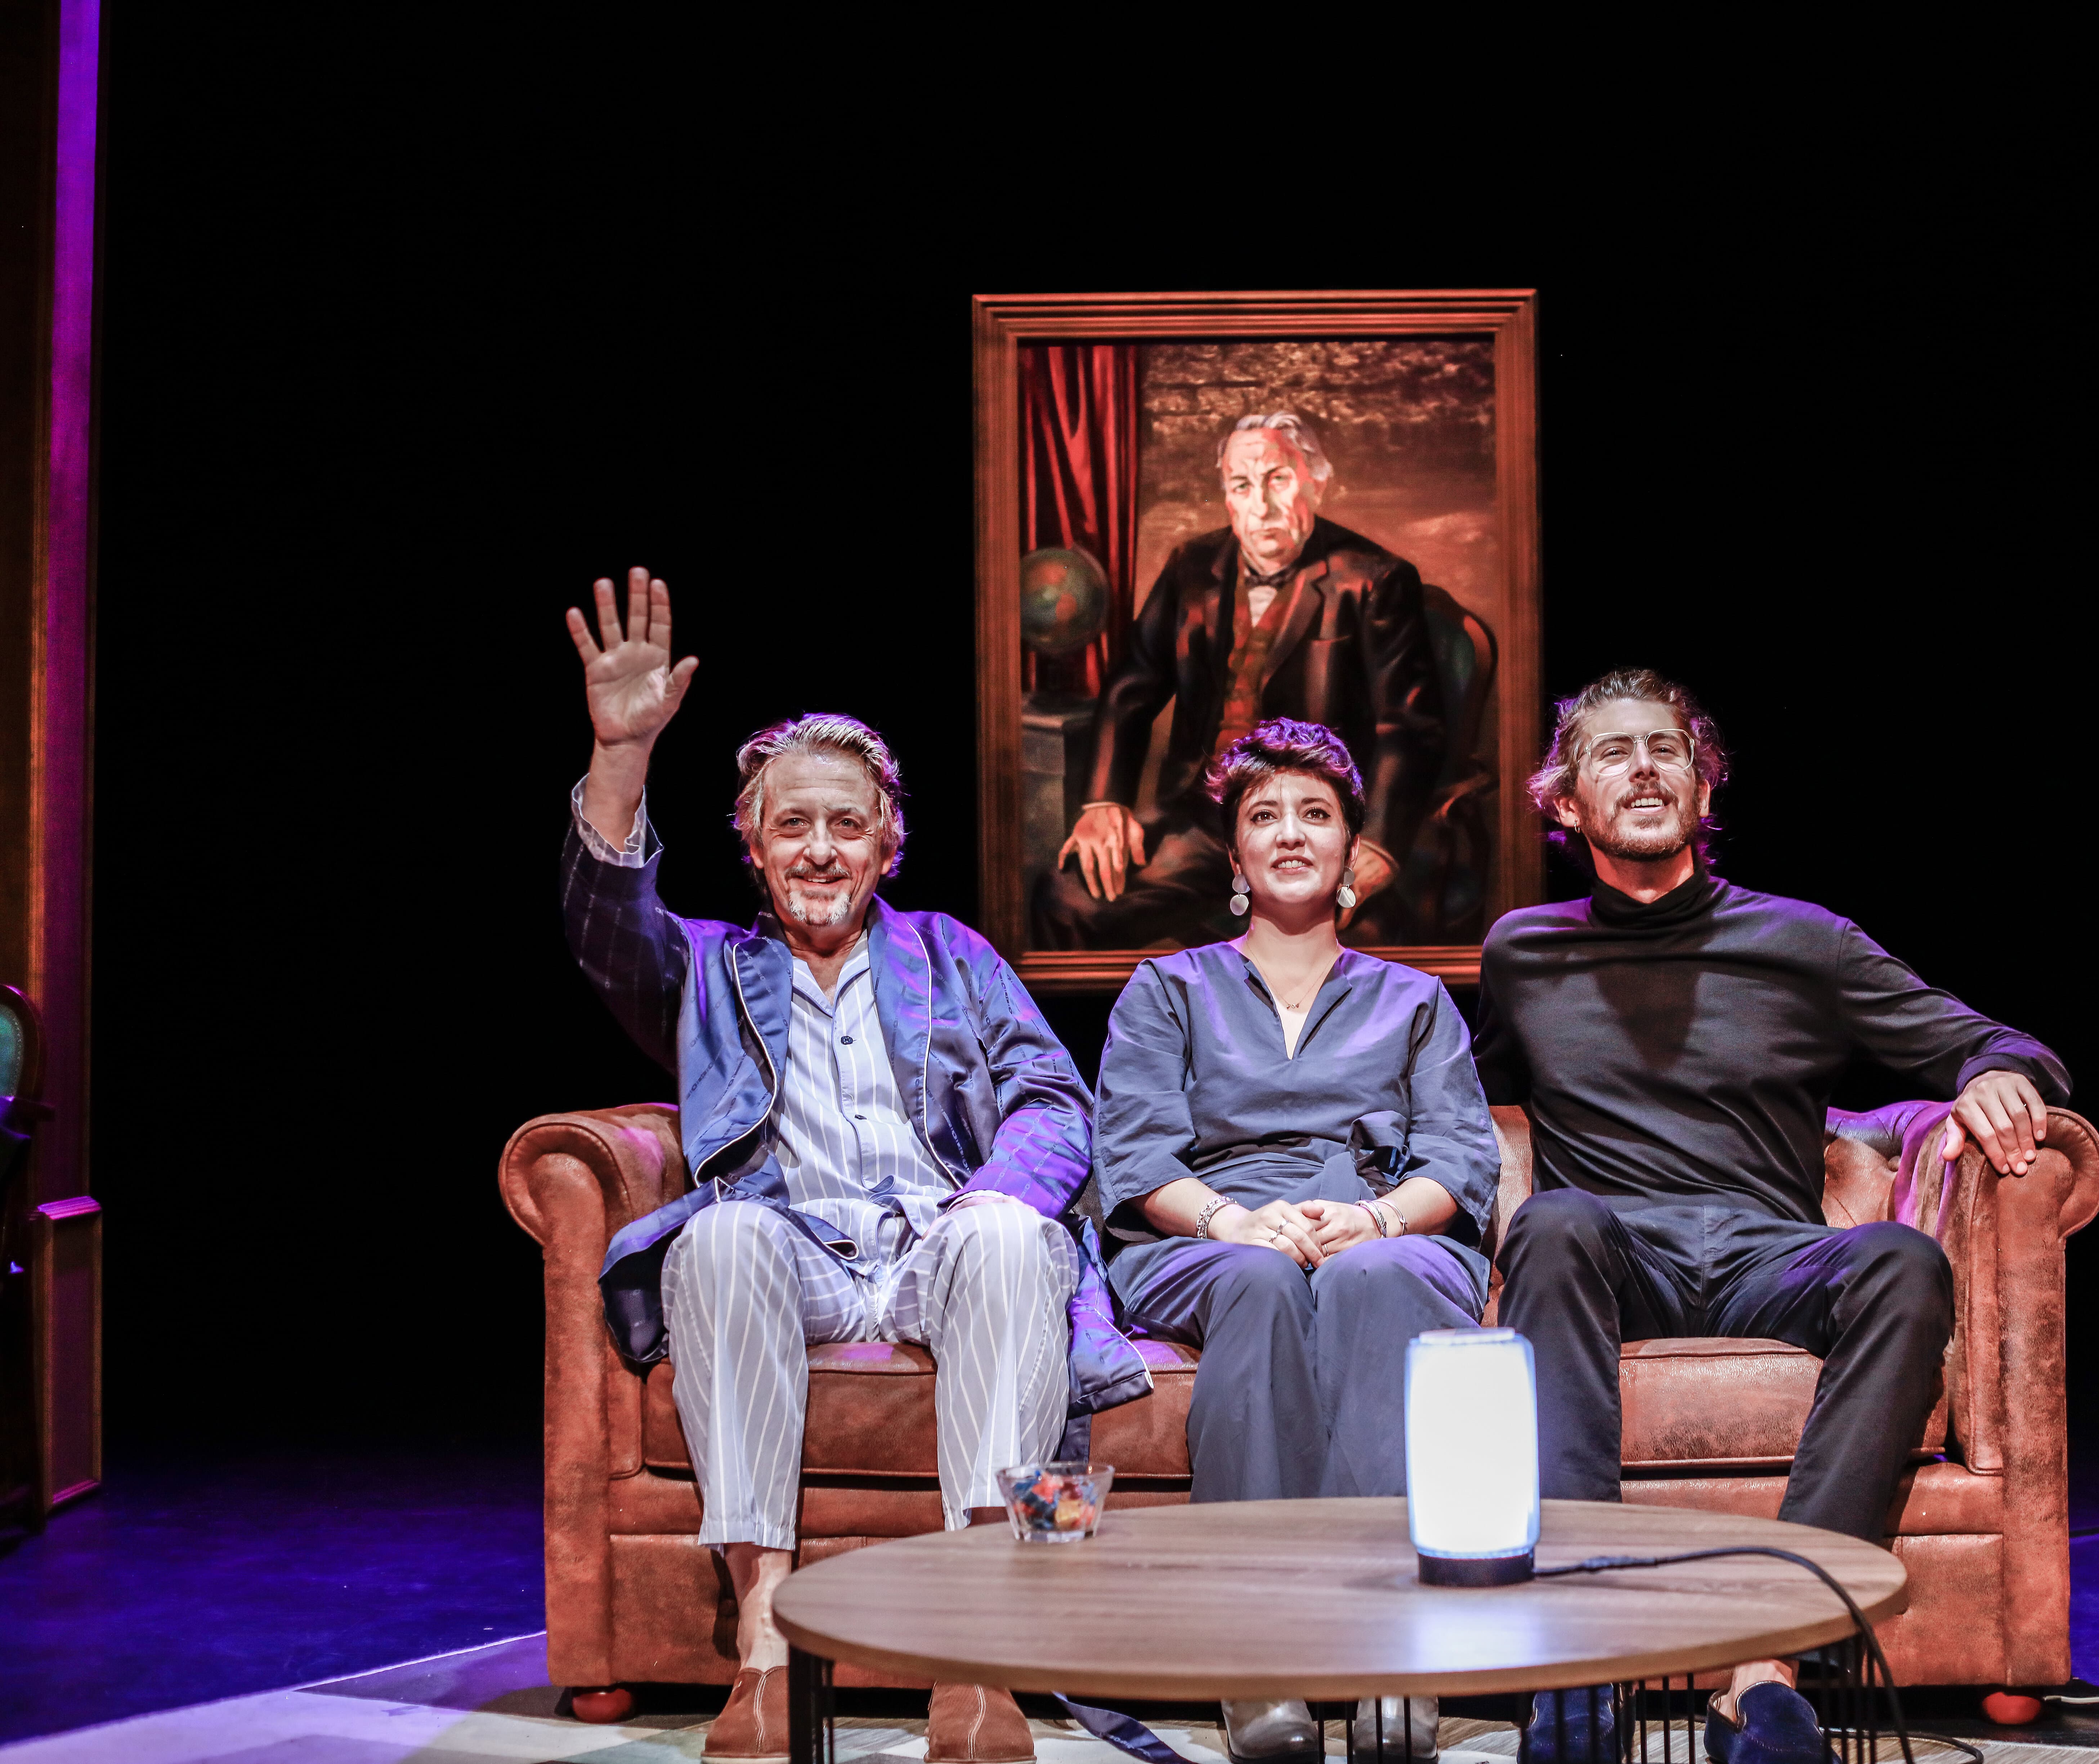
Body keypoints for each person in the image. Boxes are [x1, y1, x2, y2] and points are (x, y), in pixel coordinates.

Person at [559, 569, 1147, 1764]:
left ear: (887, 842)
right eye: (792, 824)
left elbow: (1050, 1101)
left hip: (939, 1249)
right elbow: (607, 934)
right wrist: (620, 758)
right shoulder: (713, 967)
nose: (819, 849)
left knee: (1005, 1236)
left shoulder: (952, 954)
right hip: (797, 1255)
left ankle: (977, 1657)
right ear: (753, 845)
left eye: (845, 823)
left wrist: (992, 1200)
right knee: (714, 1234)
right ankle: (766, 1651)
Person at [1474, 668, 2071, 1764]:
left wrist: (1995, 1073)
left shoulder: (1806, 941)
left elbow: (1997, 1040)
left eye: (1668, 749)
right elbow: (1467, 1105)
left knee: (1898, 1260)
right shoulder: (1523, 950)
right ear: (1564, 804)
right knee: (1551, 1223)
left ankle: (1769, 1663)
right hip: (1618, 1247)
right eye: (1612, 752)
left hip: (1771, 1253)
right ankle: (1585, 1646)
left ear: (1704, 786)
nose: (1644, 766)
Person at [1093, 718, 1499, 1764]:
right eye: (1262, 816)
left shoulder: (1413, 998)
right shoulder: (1168, 987)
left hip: (1379, 1222)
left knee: (1377, 1281)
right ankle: (1256, 1649)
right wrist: (1235, 1221)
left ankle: (1391, 1648)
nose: (1288, 833)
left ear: (1351, 852)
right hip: (1211, 1228)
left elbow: (1460, 1158)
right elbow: (1134, 1151)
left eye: (1313, 815)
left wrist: (1371, 1218)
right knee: (1261, 1282)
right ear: (1233, 855)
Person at [1042, 413, 1445, 948]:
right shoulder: (1191, 565)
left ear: (1317, 480)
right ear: (1227, 496)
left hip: (1318, 824)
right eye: (1242, 485)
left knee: (1362, 949)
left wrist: (1378, 845)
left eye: (1278, 479)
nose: (1262, 506)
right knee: (1065, 900)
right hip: (1204, 821)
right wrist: (1103, 803)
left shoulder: (1377, 580)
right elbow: (1131, 687)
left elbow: (1409, 727)